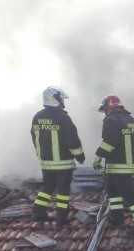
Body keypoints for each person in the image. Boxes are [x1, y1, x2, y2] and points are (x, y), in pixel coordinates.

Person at [94, 95, 134, 237]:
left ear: (108, 108)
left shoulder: (111, 120)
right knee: (111, 189)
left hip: (119, 164)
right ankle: (117, 218)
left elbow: (109, 142)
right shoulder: (131, 120)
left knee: (130, 195)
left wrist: (98, 155)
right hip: (127, 164)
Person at [30, 86, 86, 227]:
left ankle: (38, 213)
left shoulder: (37, 117)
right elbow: (72, 139)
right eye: (61, 99)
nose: (62, 101)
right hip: (63, 164)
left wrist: (41, 156)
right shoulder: (63, 118)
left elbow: (35, 138)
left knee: (46, 188)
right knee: (62, 192)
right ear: (54, 99)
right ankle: (61, 219)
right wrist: (80, 156)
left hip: (46, 163)